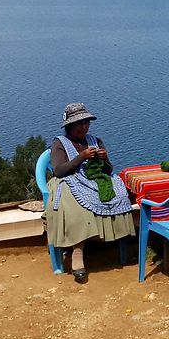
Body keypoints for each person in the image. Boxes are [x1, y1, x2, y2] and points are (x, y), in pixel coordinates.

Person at [45, 103, 135, 282]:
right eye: (79, 124)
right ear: (69, 126)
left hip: (94, 179)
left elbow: (108, 170)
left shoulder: (95, 140)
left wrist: (104, 159)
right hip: (70, 180)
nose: (83, 127)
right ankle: (77, 254)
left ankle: (115, 239)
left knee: (120, 194)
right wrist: (81, 157)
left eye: (86, 123)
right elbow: (59, 171)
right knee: (77, 207)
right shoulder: (59, 144)